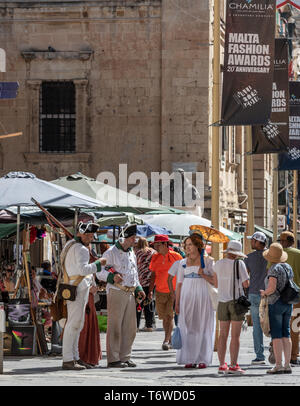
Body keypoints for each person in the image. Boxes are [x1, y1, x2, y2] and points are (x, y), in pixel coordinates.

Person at [61, 221, 117, 371]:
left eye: (91, 235)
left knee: (76, 324)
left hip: (74, 286)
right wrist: (99, 263)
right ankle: (68, 358)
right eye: (87, 234)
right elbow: (83, 269)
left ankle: (75, 356)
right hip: (78, 288)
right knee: (74, 324)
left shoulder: (69, 245)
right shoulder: (82, 249)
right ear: (80, 233)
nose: (90, 237)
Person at [99, 223, 146, 368]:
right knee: (115, 326)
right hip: (117, 291)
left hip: (130, 292)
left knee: (130, 327)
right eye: (132, 238)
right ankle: (113, 359)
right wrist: (112, 277)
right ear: (124, 238)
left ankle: (125, 356)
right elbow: (99, 271)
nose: (135, 241)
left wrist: (139, 288)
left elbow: (134, 273)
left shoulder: (131, 252)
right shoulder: (111, 252)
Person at [172, 233, 216, 368]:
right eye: (186, 245)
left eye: (190, 244)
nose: (187, 247)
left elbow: (216, 282)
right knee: (189, 326)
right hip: (187, 296)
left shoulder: (208, 261)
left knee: (203, 326)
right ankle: (190, 358)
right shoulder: (182, 263)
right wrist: (177, 303)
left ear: (198, 245)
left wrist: (203, 274)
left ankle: (202, 358)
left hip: (203, 296)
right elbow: (179, 284)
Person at [213, 240, 249, 375]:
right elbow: (246, 284)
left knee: (223, 335)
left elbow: (216, 284)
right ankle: (233, 365)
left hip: (222, 302)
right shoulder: (239, 264)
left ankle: (222, 365)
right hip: (236, 303)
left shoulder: (218, 264)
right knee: (235, 336)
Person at [260, 242, 294, 374]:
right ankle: (287, 364)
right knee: (286, 333)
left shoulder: (274, 269)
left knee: (276, 335)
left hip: (276, 303)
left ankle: (278, 364)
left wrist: (264, 292)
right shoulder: (288, 267)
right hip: (288, 303)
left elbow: (272, 287)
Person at [148, 235, 182, 350]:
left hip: (172, 291)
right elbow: (153, 275)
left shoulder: (176, 256)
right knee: (163, 318)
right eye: (155, 245)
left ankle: (166, 340)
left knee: (169, 316)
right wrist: (150, 291)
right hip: (159, 291)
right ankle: (169, 339)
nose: (156, 247)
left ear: (165, 244)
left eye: (158, 245)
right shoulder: (155, 257)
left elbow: (182, 272)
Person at [244, 231, 268, 365]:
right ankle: (275, 351)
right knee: (273, 324)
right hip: (269, 294)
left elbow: (244, 276)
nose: (251, 243)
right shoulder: (272, 255)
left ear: (257, 242)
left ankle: (260, 356)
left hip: (254, 293)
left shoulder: (248, 258)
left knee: (257, 327)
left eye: (252, 240)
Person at [278, 231, 300, 366]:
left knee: (279, 325)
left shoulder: (277, 255)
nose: (280, 243)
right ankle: (293, 356)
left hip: (279, 296)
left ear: (287, 241)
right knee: (295, 326)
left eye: (281, 241)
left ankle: (279, 354)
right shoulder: (299, 254)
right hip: (297, 296)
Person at [135, 237, 156, 332]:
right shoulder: (153, 252)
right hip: (151, 280)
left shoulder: (136, 252)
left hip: (140, 281)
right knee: (149, 303)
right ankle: (149, 325)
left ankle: (136, 325)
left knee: (138, 304)